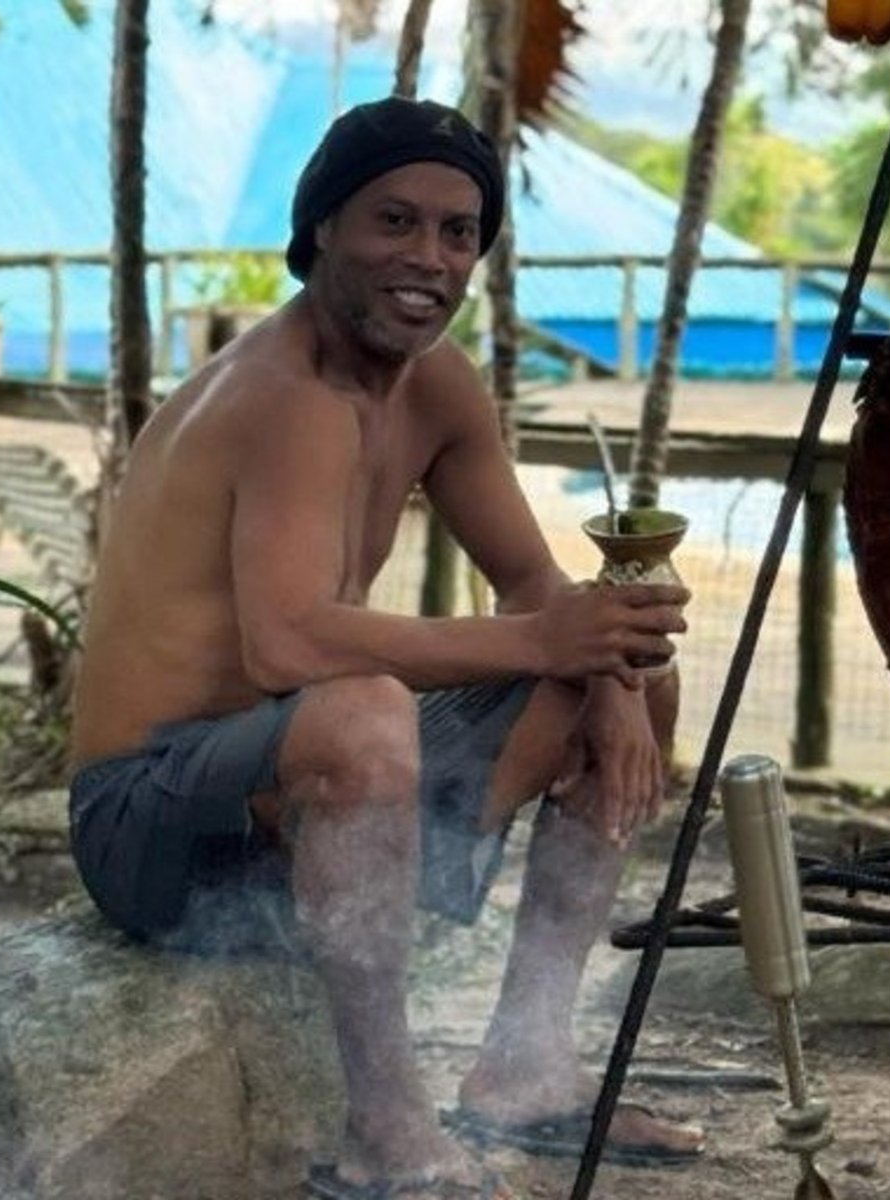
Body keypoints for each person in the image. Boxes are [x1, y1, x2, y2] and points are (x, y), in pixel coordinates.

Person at [68, 96, 702, 1200]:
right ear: (321, 230)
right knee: (362, 707)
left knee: (641, 672)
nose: (431, 259)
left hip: (290, 804)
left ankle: (524, 1069)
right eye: (394, 222)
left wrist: (602, 672)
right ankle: (383, 1128)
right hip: (152, 826)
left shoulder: (435, 384)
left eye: (459, 233)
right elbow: (287, 641)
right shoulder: (286, 394)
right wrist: (548, 637)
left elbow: (535, 582)